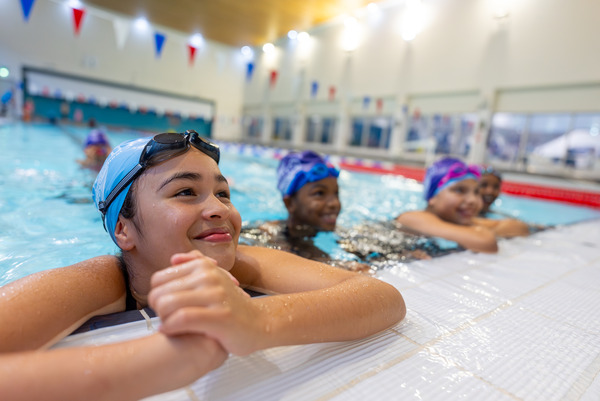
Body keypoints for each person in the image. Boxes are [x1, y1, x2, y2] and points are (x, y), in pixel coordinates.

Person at [0, 130, 406, 400]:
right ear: (124, 229)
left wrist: (257, 322)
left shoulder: (242, 260)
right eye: (185, 192)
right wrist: (168, 361)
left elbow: (382, 297)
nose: (218, 209)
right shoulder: (103, 279)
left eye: (224, 193)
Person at [396, 157, 530, 254]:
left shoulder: (453, 220)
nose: (473, 200)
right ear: (432, 197)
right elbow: (486, 242)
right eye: (459, 190)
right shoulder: (413, 218)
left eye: (476, 192)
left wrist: (474, 228)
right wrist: (479, 230)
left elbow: (519, 227)